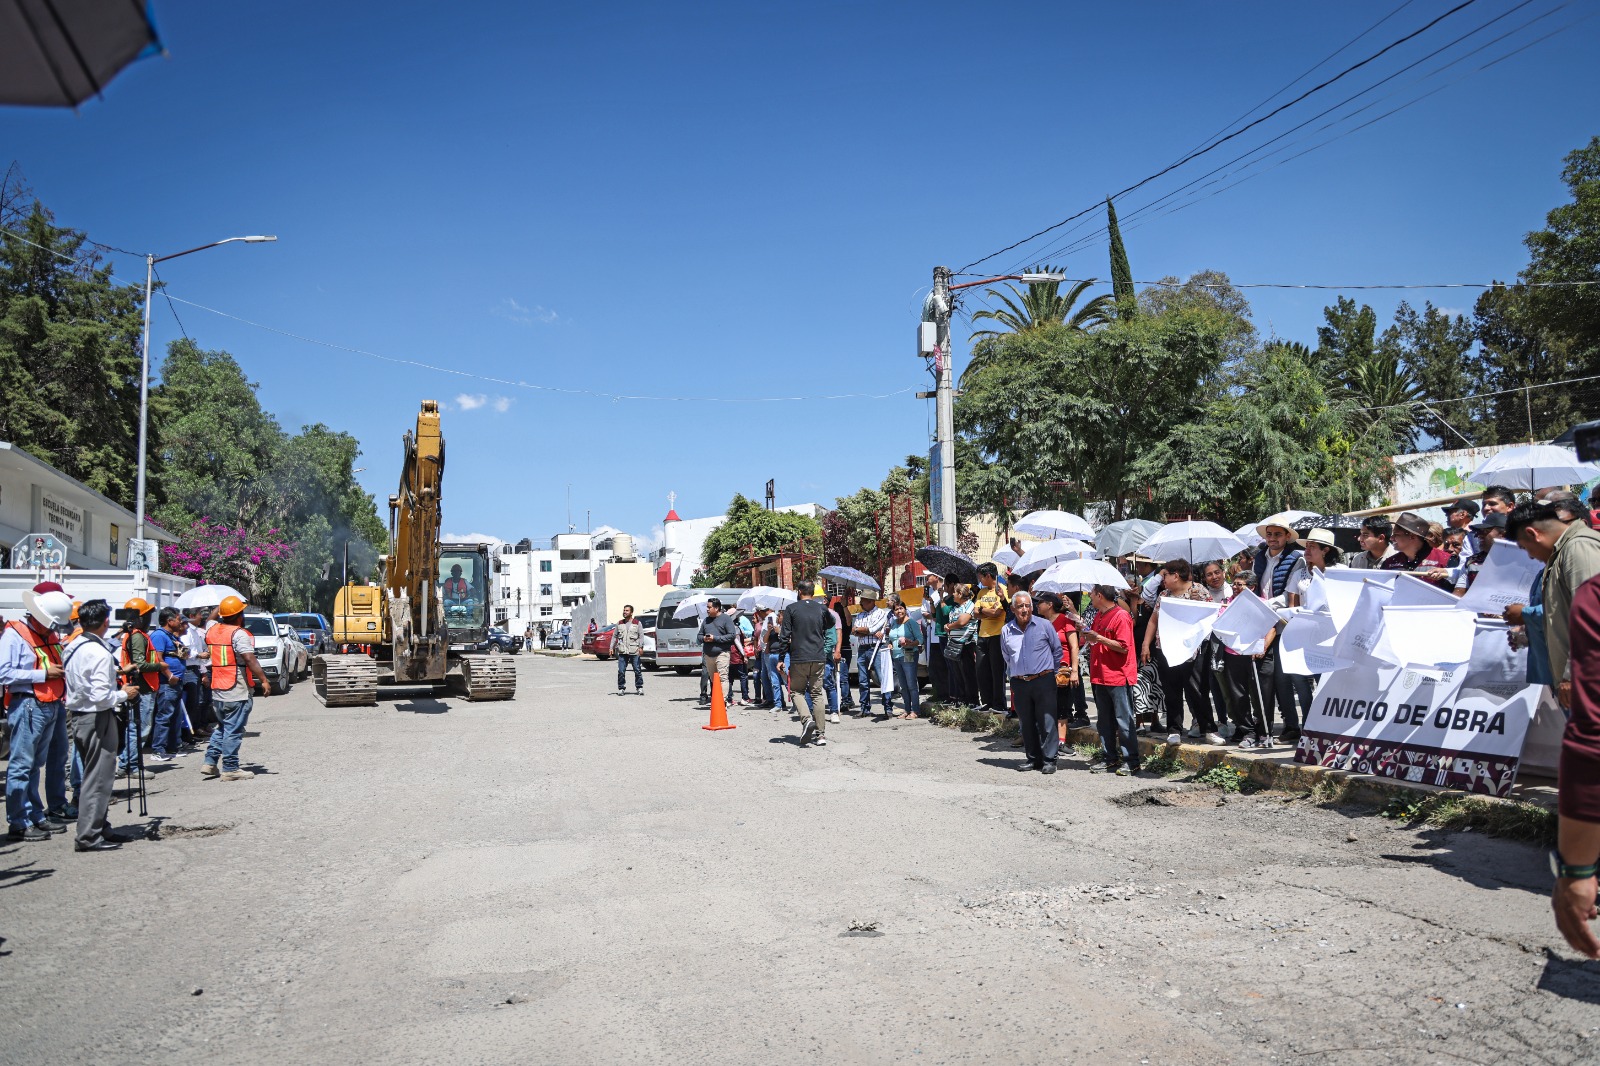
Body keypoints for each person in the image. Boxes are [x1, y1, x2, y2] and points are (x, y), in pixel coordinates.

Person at [63, 599, 142, 852]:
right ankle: (88, 836)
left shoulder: (73, 645)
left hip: (79, 715)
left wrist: (117, 677)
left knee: (94, 775)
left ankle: (99, 826)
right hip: (97, 716)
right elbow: (100, 696)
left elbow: (85, 682)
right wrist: (124, 693)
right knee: (98, 779)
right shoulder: (98, 652)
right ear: (105, 622)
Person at [1509, 501, 1600, 708]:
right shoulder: (1564, 551)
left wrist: (1573, 674)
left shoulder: (1580, 547)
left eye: (1525, 548)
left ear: (1533, 533)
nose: (1530, 555)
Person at [3, 581, 74, 841]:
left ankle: (35, 815)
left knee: (34, 765)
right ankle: (18, 822)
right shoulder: (14, 634)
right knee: (22, 765)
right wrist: (43, 673)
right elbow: (4, 673)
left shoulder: (49, 635)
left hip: (49, 703)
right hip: (29, 704)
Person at [1141, 559, 1222, 744]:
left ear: (1175, 576)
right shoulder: (1164, 595)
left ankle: (1209, 729)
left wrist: (1197, 605)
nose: (1163, 579)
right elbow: (1154, 620)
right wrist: (1146, 644)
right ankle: (1174, 730)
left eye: (1165, 575)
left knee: (1197, 690)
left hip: (1193, 650)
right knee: (1171, 690)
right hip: (1167, 649)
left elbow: (1212, 617)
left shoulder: (1199, 591)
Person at [203, 595, 268, 781]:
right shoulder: (239, 634)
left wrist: (220, 604)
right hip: (236, 687)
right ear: (239, 615)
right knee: (234, 729)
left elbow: (209, 619)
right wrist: (263, 679)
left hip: (217, 687)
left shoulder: (213, 629)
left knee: (223, 726)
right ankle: (230, 768)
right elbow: (249, 659)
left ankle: (210, 761)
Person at [1000, 591, 1063, 774]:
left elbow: (1057, 651)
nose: (1024, 609)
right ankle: (1033, 758)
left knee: (1047, 721)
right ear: (1013, 609)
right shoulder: (1006, 631)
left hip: (1043, 679)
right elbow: (1007, 656)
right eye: (1020, 606)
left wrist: (1052, 672)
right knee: (1026, 722)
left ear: (1032, 607)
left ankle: (1049, 759)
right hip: (1020, 682)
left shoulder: (1044, 626)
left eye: (1027, 605)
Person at [1082, 584, 1139, 776]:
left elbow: (1124, 647)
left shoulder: (1121, 616)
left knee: (1124, 720)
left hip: (1117, 676)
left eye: (1091, 594)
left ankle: (1132, 761)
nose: (1089, 596)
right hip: (1100, 675)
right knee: (1104, 721)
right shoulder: (1099, 615)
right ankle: (1110, 758)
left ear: (1099, 595)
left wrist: (1098, 638)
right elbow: (1098, 640)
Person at [116, 597, 169, 776]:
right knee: (139, 729)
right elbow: (139, 664)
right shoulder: (137, 636)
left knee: (134, 728)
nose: (149, 619)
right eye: (146, 615)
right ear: (139, 618)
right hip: (142, 688)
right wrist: (160, 666)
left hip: (139, 687)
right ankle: (133, 766)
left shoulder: (133, 635)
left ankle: (125, 764)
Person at [1222, 572, 1270, 749]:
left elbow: (1271, 628)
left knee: (1259, 695)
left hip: (1254, 655)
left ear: (1251, 587)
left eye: (1239, 584)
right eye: (1233, 584)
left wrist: (1262, 647)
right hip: (1232, 654)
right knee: (1238, 695)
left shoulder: (1263, 604)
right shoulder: (1227, 604)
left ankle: (1264, 731)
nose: (1235, 587)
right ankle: (1248, 731)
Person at [782, 585, 835, 745]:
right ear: (813, 593)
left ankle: (807, 720)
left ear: (799, 592)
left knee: (796, 691)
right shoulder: (821, 609)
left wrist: (781, 658)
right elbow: (830, 623)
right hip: (818, 656)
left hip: (799, 657)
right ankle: (820, 735)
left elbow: (784, 635)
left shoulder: (791, 609)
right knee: (817, 693)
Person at [1031, 592, 1081, 741]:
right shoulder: (1040, 622)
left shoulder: (1065, 620)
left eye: (1040, 602)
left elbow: (1074, 647)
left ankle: (1061, 741)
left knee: (1062, 705)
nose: (1037, 605)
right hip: (1043, 670)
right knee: (1044, 704)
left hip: (1062, 670)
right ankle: (1048, 738)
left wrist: (1074, 671)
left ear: (1050, 605)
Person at [147, 608, 189, 761]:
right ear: (169, 621)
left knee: (175, 717)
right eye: (178, 619)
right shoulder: (159, 636)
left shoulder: (171, 636)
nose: (180, 622)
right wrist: (169, 675)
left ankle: (172, 747)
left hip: (176, 683)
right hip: (167, 683)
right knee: (164, 716)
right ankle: (158, 750)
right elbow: (158, 658)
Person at [851, 592, 893, 718]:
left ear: (870, 601)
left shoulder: (881, 613)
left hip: (877, 648)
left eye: (863, 601)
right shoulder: (860, 615)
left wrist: (863, 630)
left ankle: (888, 707)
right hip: (863, 648)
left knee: (881, 679)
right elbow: (854, 631)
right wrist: (862, 631)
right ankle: (864, 708)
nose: (860, 603)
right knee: (863, 680)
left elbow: (871, 629)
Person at [973, 563, 1008, 714]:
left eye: (981, 576)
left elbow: (997, 613)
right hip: (982, 635)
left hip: (997, 634)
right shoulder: (981, 592)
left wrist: (983, 610)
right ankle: (986, 702)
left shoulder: (1002, 590)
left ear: (988, 576)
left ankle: (999, 704)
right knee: (982, 670)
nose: (979, 579)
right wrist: (986, 610)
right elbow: (975, 613)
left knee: (997, 670)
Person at [180, 606, 215, 743]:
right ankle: (189, 733)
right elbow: (185, 651)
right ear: (191, 615)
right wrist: (199, 655)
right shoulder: (187, 632)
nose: (202, 617)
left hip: (196, 668)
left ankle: (191, 733)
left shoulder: (194, 632)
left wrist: (203, 671)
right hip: (189, 670)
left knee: (195, 703)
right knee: (192, 704)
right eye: (200, 614)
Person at [695, 599, 738, 708]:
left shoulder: (726, 619)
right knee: (714, 679)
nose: (707, 609)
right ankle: (717, 699)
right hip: (708, 655)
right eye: (707, 607)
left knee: (723, 677)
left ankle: (722, 701)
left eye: (709, 607)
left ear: (717, 608)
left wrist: (715, 638)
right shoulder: (706, 621)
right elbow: (699, 636)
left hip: (722, 653)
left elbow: (731, 635)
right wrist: (704, 638)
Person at [1287, 529, 1345, 607]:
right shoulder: (1298, 575)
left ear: (1325, 550)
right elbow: (1293, 606)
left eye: (1312, 546)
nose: (1307, 550)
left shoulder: (1341, 571)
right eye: (1306, 546)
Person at [942, 584, 979, 707]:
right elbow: (953, 621)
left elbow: (962, 622)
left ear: (960, 594)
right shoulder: (955, 608)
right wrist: (948, 625)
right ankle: (962, 699)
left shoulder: (970, 605)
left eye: (955, 592)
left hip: (966, 644)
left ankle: (973, 700)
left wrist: (949, 626)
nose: (952, 594)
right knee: (958, 674)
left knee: (968, 674)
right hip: (953, 644)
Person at [888, 600, 923, 720]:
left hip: (909, 654)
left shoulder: (911, 623)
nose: (899, 611)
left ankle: (915, 710)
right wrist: (890, 644)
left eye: (901, 609)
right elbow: (891, 638)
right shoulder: (894, 623)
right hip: (896, 656)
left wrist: (911, 643)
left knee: (911, 684)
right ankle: (907, 709)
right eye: (896, 609)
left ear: (905, 609)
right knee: (903, 685)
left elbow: (920, 639)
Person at [1455, 513, 1507, 594]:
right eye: (1479, 531)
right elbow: (1458, 594)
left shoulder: (1521, 560)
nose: (1478, 535)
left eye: (1485, 531)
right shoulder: (1472, 562)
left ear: (1503, 534)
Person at [921, 574, 947, 704]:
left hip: (942, 633)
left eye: (929, 575)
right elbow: (924, 612)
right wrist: (932, 615)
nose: (926, 578)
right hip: (932, 634)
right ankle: (938, 693)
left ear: (936, 577)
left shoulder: (945, 591)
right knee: (934, 666)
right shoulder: (928, 592)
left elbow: (941, 613)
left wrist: (933, 615)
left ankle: (946, 694)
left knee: (943, 666)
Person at [613, 605, 644, 694]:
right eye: (624, 610)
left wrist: (641, 647)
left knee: (637, 670)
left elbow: (641, 636)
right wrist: (611, 647)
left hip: (634, 650)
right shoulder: (619, 623)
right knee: (621, 671)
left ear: (631, 612)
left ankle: (639, 687)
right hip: (623, 651)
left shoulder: (637, 623)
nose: (624, 612)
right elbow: (614, 636)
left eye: (627, 610)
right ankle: (621, 688)